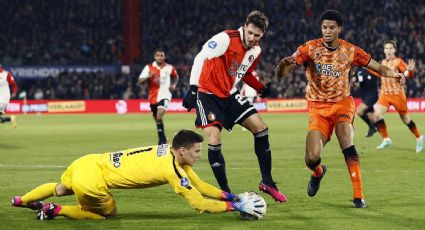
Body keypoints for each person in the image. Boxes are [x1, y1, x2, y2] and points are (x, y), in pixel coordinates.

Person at [275, 10, 405, 208]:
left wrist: (393, 74)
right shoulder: (309, 48)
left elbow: (376, 67)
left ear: (339, 29)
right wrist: (282, 68)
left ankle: (358, 195)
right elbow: (284, 71)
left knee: (345, 137)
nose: (327, 31)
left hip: (342, 103)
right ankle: (318, 172)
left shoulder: (350, 50)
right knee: (311, 157)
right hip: (318, 108)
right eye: (324, 27)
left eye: (332, 28)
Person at [11, 129, 265, 220]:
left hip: (88, 161)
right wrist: (235, 207)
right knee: (106, 216)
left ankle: (22, 200)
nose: (200, 155)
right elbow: (199, 203)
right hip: (93, 181)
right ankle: (57, 211)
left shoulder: (169, 152)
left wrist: (231, 196)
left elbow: (199, 185)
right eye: (197, 151)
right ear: (182, 151)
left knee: (60, 187)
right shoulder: (173, 169)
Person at [182, 11, 287, 202]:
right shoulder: (225, 39)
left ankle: (267, 182)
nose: (253, 38)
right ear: (245, 27)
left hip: (229, 94)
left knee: (261, 128)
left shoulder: (256, 51)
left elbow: (244, 73)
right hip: (207, 95)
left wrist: (260, 87)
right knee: (214, 139)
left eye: (258, 36)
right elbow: (201, 57)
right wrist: (192, 88)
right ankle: (226, 192)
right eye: (251, 33)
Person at [372, 40, 423, 152]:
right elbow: (379, 73)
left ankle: (419, 137)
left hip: (397, 95)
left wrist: (409, 71)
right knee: (377, 115)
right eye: (387, 48)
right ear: (384, 50)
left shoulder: (398, 61)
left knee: (405, 119)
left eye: (391, 48)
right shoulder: (383, 62)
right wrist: (368, 69)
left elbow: (407, 74)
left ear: (394, 50)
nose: (388, 50)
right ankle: (386, 139)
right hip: (385, 94)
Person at [138, 49, 179, 144]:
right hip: (153, 97)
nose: (160, 57)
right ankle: (163, 138)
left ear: (164, 57)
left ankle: (161, 141)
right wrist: (149, 76)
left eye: (161, 55)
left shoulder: (169, 67)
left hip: (165, 95)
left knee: (159, 116)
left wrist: (173, 85)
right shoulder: (149, 68)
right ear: (154, 57)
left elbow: (176, 76)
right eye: (158, 55)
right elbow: (140, 81)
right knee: (157, 120)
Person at [352, 68, 379, 137]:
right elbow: (357, 82)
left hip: (373, 94)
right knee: (371, 117)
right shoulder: (358, 70)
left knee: (359, 111)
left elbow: (381, 76)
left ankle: (372, 127)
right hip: (364, 96)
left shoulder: (372, 68)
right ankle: (380, 130)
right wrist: (354, 82)